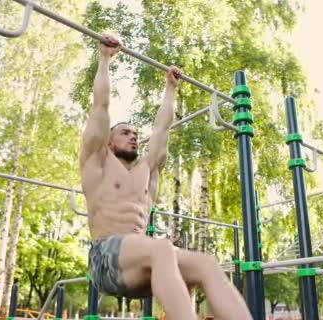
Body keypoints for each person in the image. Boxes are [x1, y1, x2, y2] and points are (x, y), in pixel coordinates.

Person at [79, 32, 252, 320]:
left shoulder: (148, 170)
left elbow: (162, 130)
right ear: (109, 142)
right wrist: (105, 59)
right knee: (162, 247)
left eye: (135, 134)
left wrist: (170, 88)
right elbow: (101, 107)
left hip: (142, 261)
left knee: (206, 264)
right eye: (125, 133)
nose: (133, 137)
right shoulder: (97, 161)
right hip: (105, 258)